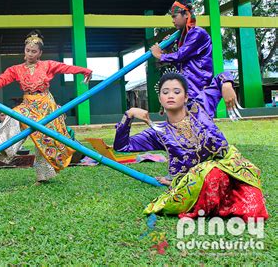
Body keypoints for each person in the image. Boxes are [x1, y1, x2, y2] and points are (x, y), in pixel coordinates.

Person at [113, 71, 268, 221]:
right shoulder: (159, 132)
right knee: (213, 174)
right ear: (160, 99)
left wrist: (227, 85)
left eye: (176, 91)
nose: (171, 95)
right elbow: (122, 146)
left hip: (232, 170)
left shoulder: (200, 107)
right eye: (165, 92)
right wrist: (129, 115)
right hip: (203, 184)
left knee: (253, 211)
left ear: (186, 97)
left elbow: (223, 75)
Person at [0, 30, 92, 184]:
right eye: (28, 51)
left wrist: (84, 71)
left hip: (46, 104)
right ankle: (3, 147)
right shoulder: (16, 70)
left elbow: (65, 68)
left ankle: (43, 176)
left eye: (34, 51)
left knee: (43, 139)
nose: (30, 54)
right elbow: (1, 80)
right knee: (13, 115)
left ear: (40, 53)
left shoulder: (47, 65)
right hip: (28, 104)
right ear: (24, 51)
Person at [150, 0, 213, 100]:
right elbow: (180, 62)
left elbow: (180, 56)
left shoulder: (197, 33)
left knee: (196, 115)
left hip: (198, 88)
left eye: (175, 16)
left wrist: (159, 55)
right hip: (187, 87)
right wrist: (168, 49)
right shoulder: (183, 36)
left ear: (186, 15)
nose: (173, 20)